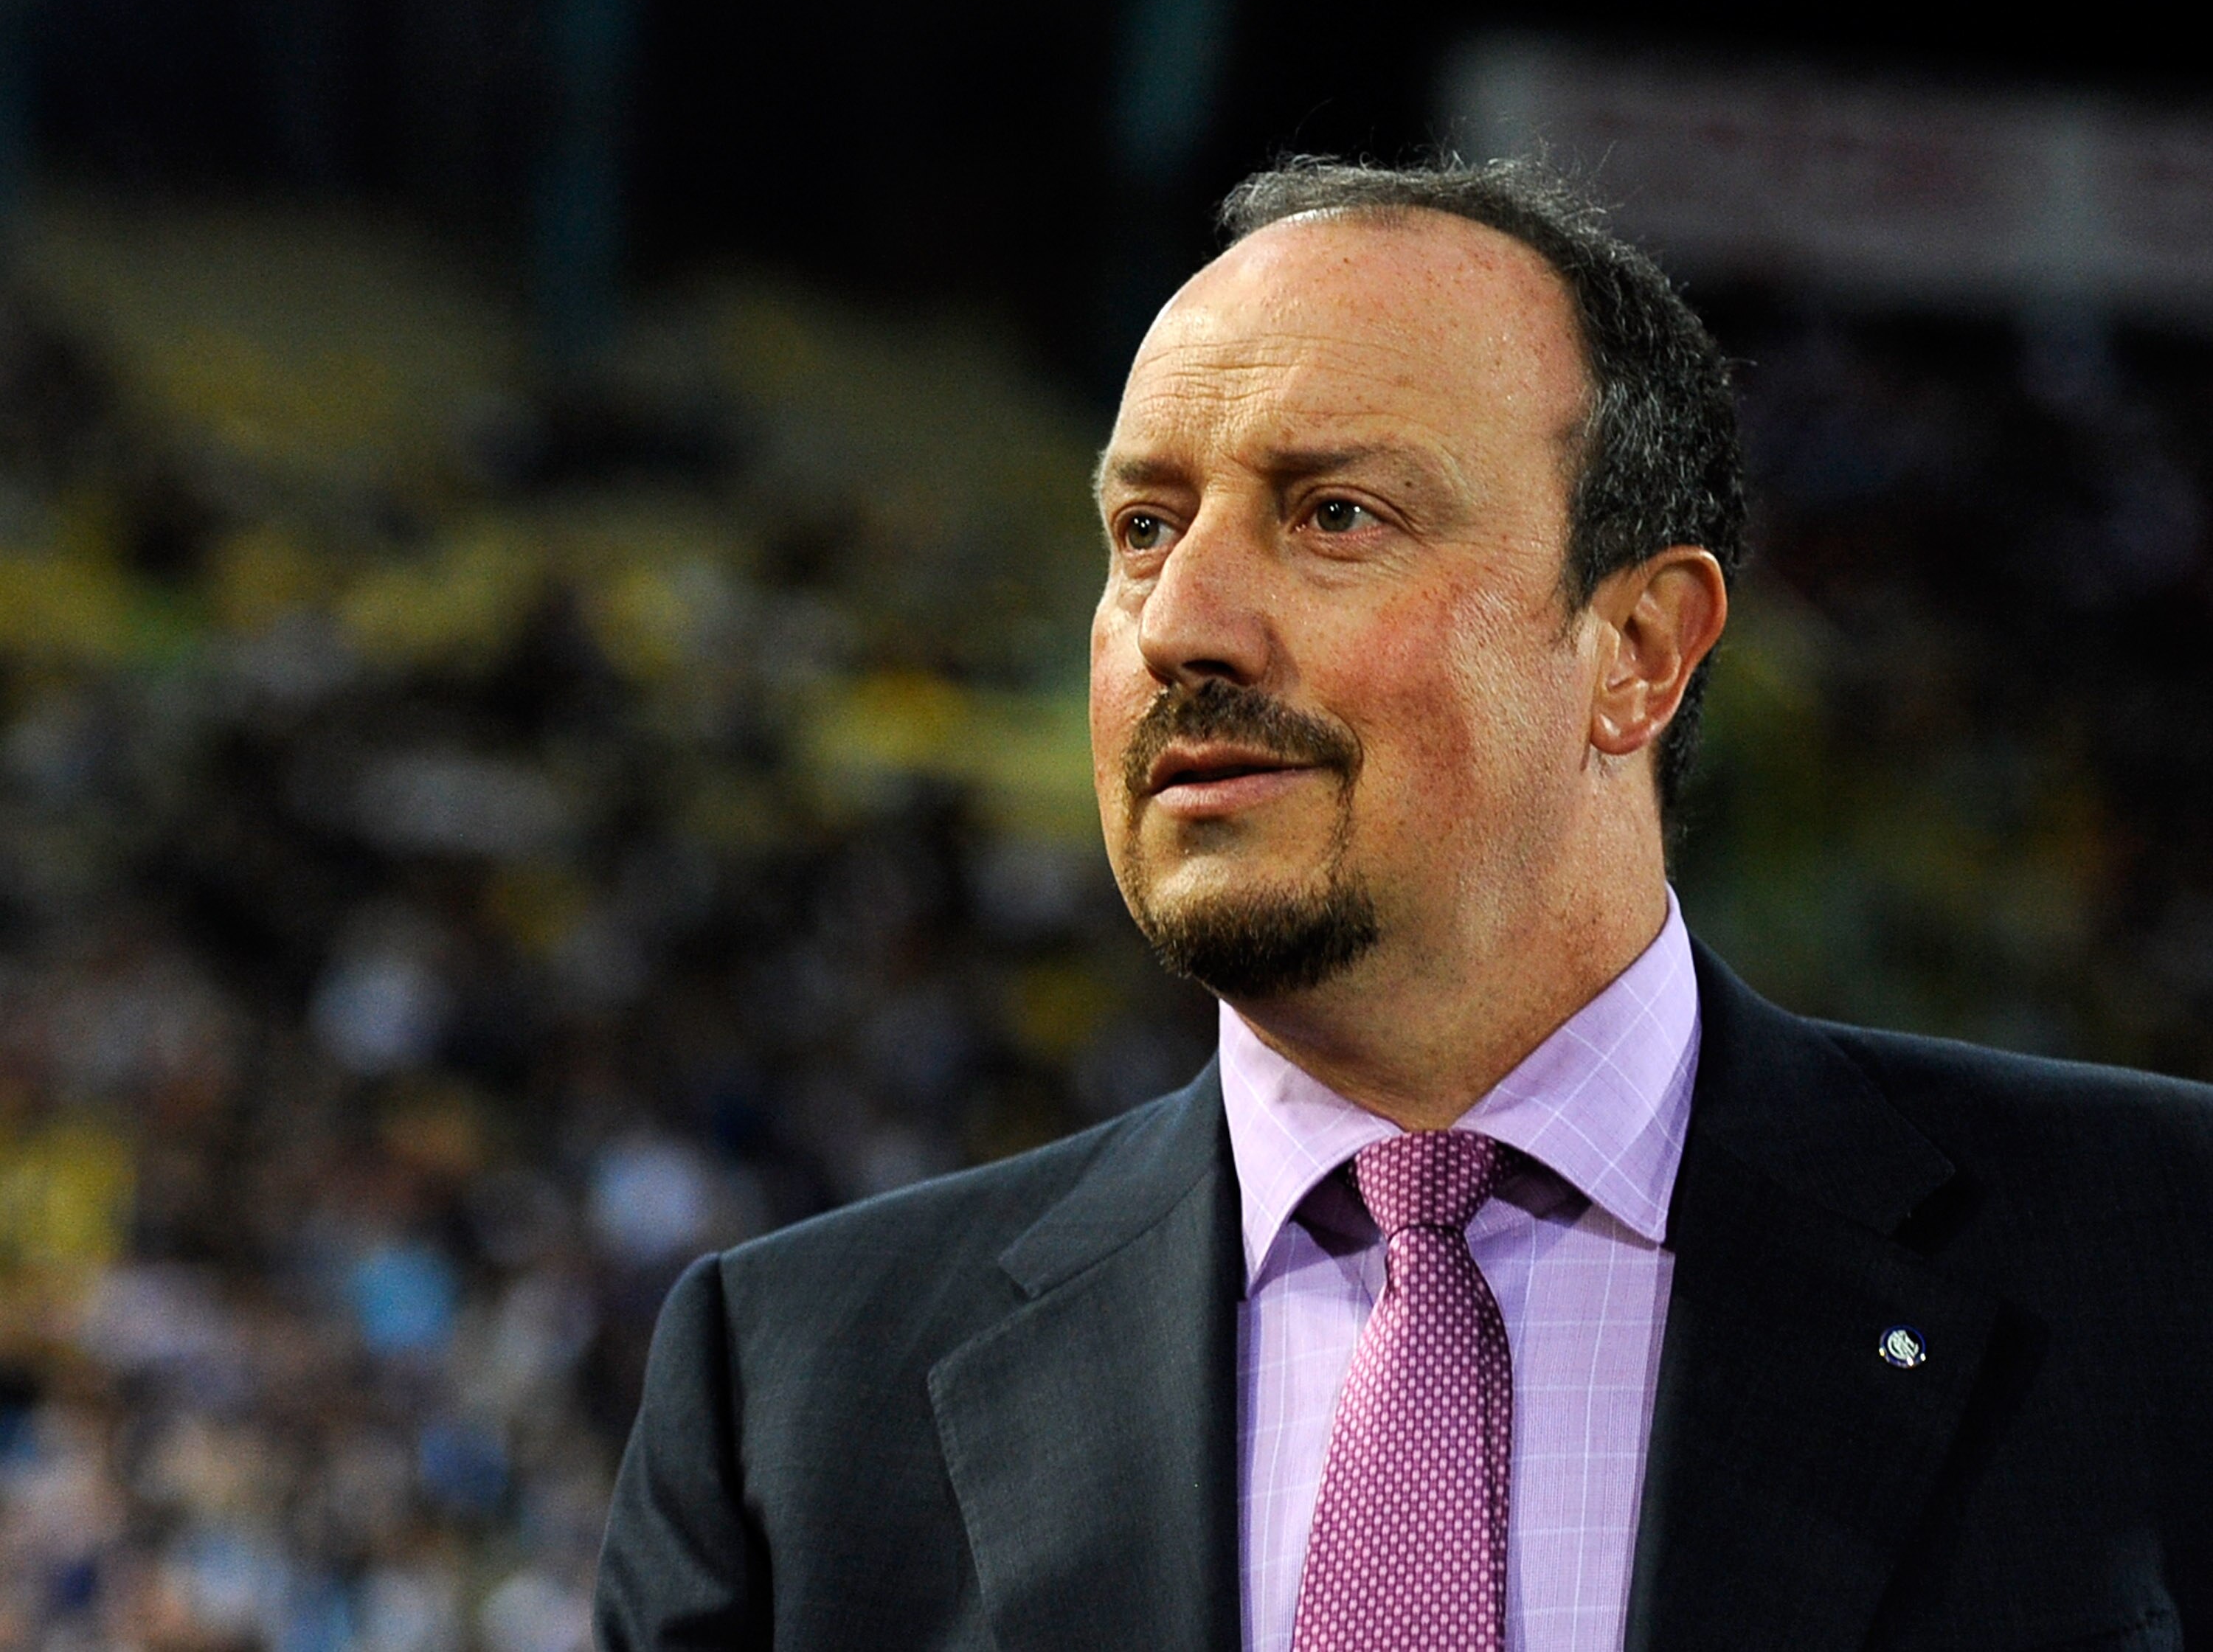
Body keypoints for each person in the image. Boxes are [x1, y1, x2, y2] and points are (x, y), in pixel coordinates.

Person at [592, 159, 2213, 1651]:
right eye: (1144, 528)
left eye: (1336, 516)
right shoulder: (793, 1395)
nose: (1182, 622)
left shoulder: (2159, 1256)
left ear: (1637, 650)